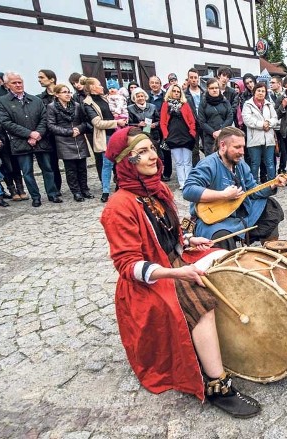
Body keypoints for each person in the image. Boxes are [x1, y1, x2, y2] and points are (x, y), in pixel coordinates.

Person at [100, 126, 261, 418]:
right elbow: (128, 266)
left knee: (225, 257)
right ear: (127, 162)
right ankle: (218, 385)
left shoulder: (156, 190)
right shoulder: (118, 207)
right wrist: (177, 274)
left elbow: (166, 235)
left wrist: (187, 240)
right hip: (148, 283)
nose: (153, 156)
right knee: (198, 301)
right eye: (142, 152)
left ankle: (225, 341)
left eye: (151, 148)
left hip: (174, 258)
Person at [183, 127, 287, 250]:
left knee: (270, 208)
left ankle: (272, 252)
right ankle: (228, 266)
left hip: (239, 213)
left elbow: (252, 190)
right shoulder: (208, 164)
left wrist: (273, 184)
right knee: (222, 237)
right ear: (223, 145)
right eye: (237, 147)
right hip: (213, 220)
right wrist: (223, 195)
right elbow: (188, 190)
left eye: (243, 147)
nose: (242, 152)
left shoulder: (240, 164)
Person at [0, 72, 61, 207]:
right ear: (7, 85)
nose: (18, 85)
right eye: (14, 83)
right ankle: (35, 197)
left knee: (48, 169)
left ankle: (52, 194)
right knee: (27, 172)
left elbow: (44, 118)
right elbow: (6, 123)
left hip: (40, 140)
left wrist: (38, 134)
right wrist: (29, 134)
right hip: (21, 142)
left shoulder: (35, 100)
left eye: (20, 82)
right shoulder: (3, 102)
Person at [82, 76, 127, 202]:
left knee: (120, 162)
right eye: (99, 84)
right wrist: (116, 123)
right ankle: (105, 191)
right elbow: (97, 123)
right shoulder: (88, 103)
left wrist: (121, 118)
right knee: (107, 164)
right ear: (92, 87)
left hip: (116, 134)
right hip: (104, 136)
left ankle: (121, 186)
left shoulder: (106, 98)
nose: (102, 86)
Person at [46, 83, 92, 201]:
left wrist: (79, 129)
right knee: (71, 169)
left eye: (69, 92)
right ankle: (76, 192)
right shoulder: (52, 107)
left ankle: (84, 189)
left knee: (82, 167)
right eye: (64, 92)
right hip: (64, 141)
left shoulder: (76, 105)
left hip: (79, 139)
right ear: (57, 94)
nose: (68, 94)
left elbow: (84, 122)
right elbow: (51, 125)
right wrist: (68, 132)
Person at [160, 84, 196, 192]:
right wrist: (166, 135)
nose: (176, 93)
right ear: (170, 92)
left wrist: (192, 133)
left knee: (187, 162)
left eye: (178, 91)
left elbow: (191, 120)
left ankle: (189, 182)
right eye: (174, 91)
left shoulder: (185, 105)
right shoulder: (166, 105)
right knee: (179, 162)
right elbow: (163, 122)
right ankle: (182, 183)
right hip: (173, 137)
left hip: (186, 136)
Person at [242, 82, 277, 184]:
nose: (261, 93)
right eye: (259, 91)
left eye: (263, 91)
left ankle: (272, 183)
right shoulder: (248, 104)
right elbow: (247, 120)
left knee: (270, 163)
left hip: (268, 138)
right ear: (254, 91)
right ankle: (254, 185)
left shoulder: (269, 104)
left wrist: (269, 124)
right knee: (255, 163)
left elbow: (275, 118)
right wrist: (262, 124)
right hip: (254, 139)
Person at [37, 69, 63, 196]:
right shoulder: (39, 99)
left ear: (51, 79)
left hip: (65, 134)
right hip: (49, 136)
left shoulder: (64, 93)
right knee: (52, 164)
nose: (39, 80)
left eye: (42, 77)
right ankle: (55, 188)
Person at [198, 78, 233, 156]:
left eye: (216, 88)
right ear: (207, 89)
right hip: (209, 139)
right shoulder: (203, 103)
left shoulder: (225, 102)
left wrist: (221, 130)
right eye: (212, 88)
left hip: (224, 136)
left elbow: (230, 117)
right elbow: (201, 121)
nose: (214, 90)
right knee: (212, 163)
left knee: (226, 161)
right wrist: (213, 132)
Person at [147, 75, 172, 182]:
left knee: (166, 150)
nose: (154, 85)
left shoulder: (166, 96)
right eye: (152, 82)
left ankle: (167, 173)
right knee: (151, 150)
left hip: (164, 126)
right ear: (149, 84)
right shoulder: (146, 96)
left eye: (156, 83)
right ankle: (154, 173)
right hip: (149, 127)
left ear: (160, 84)